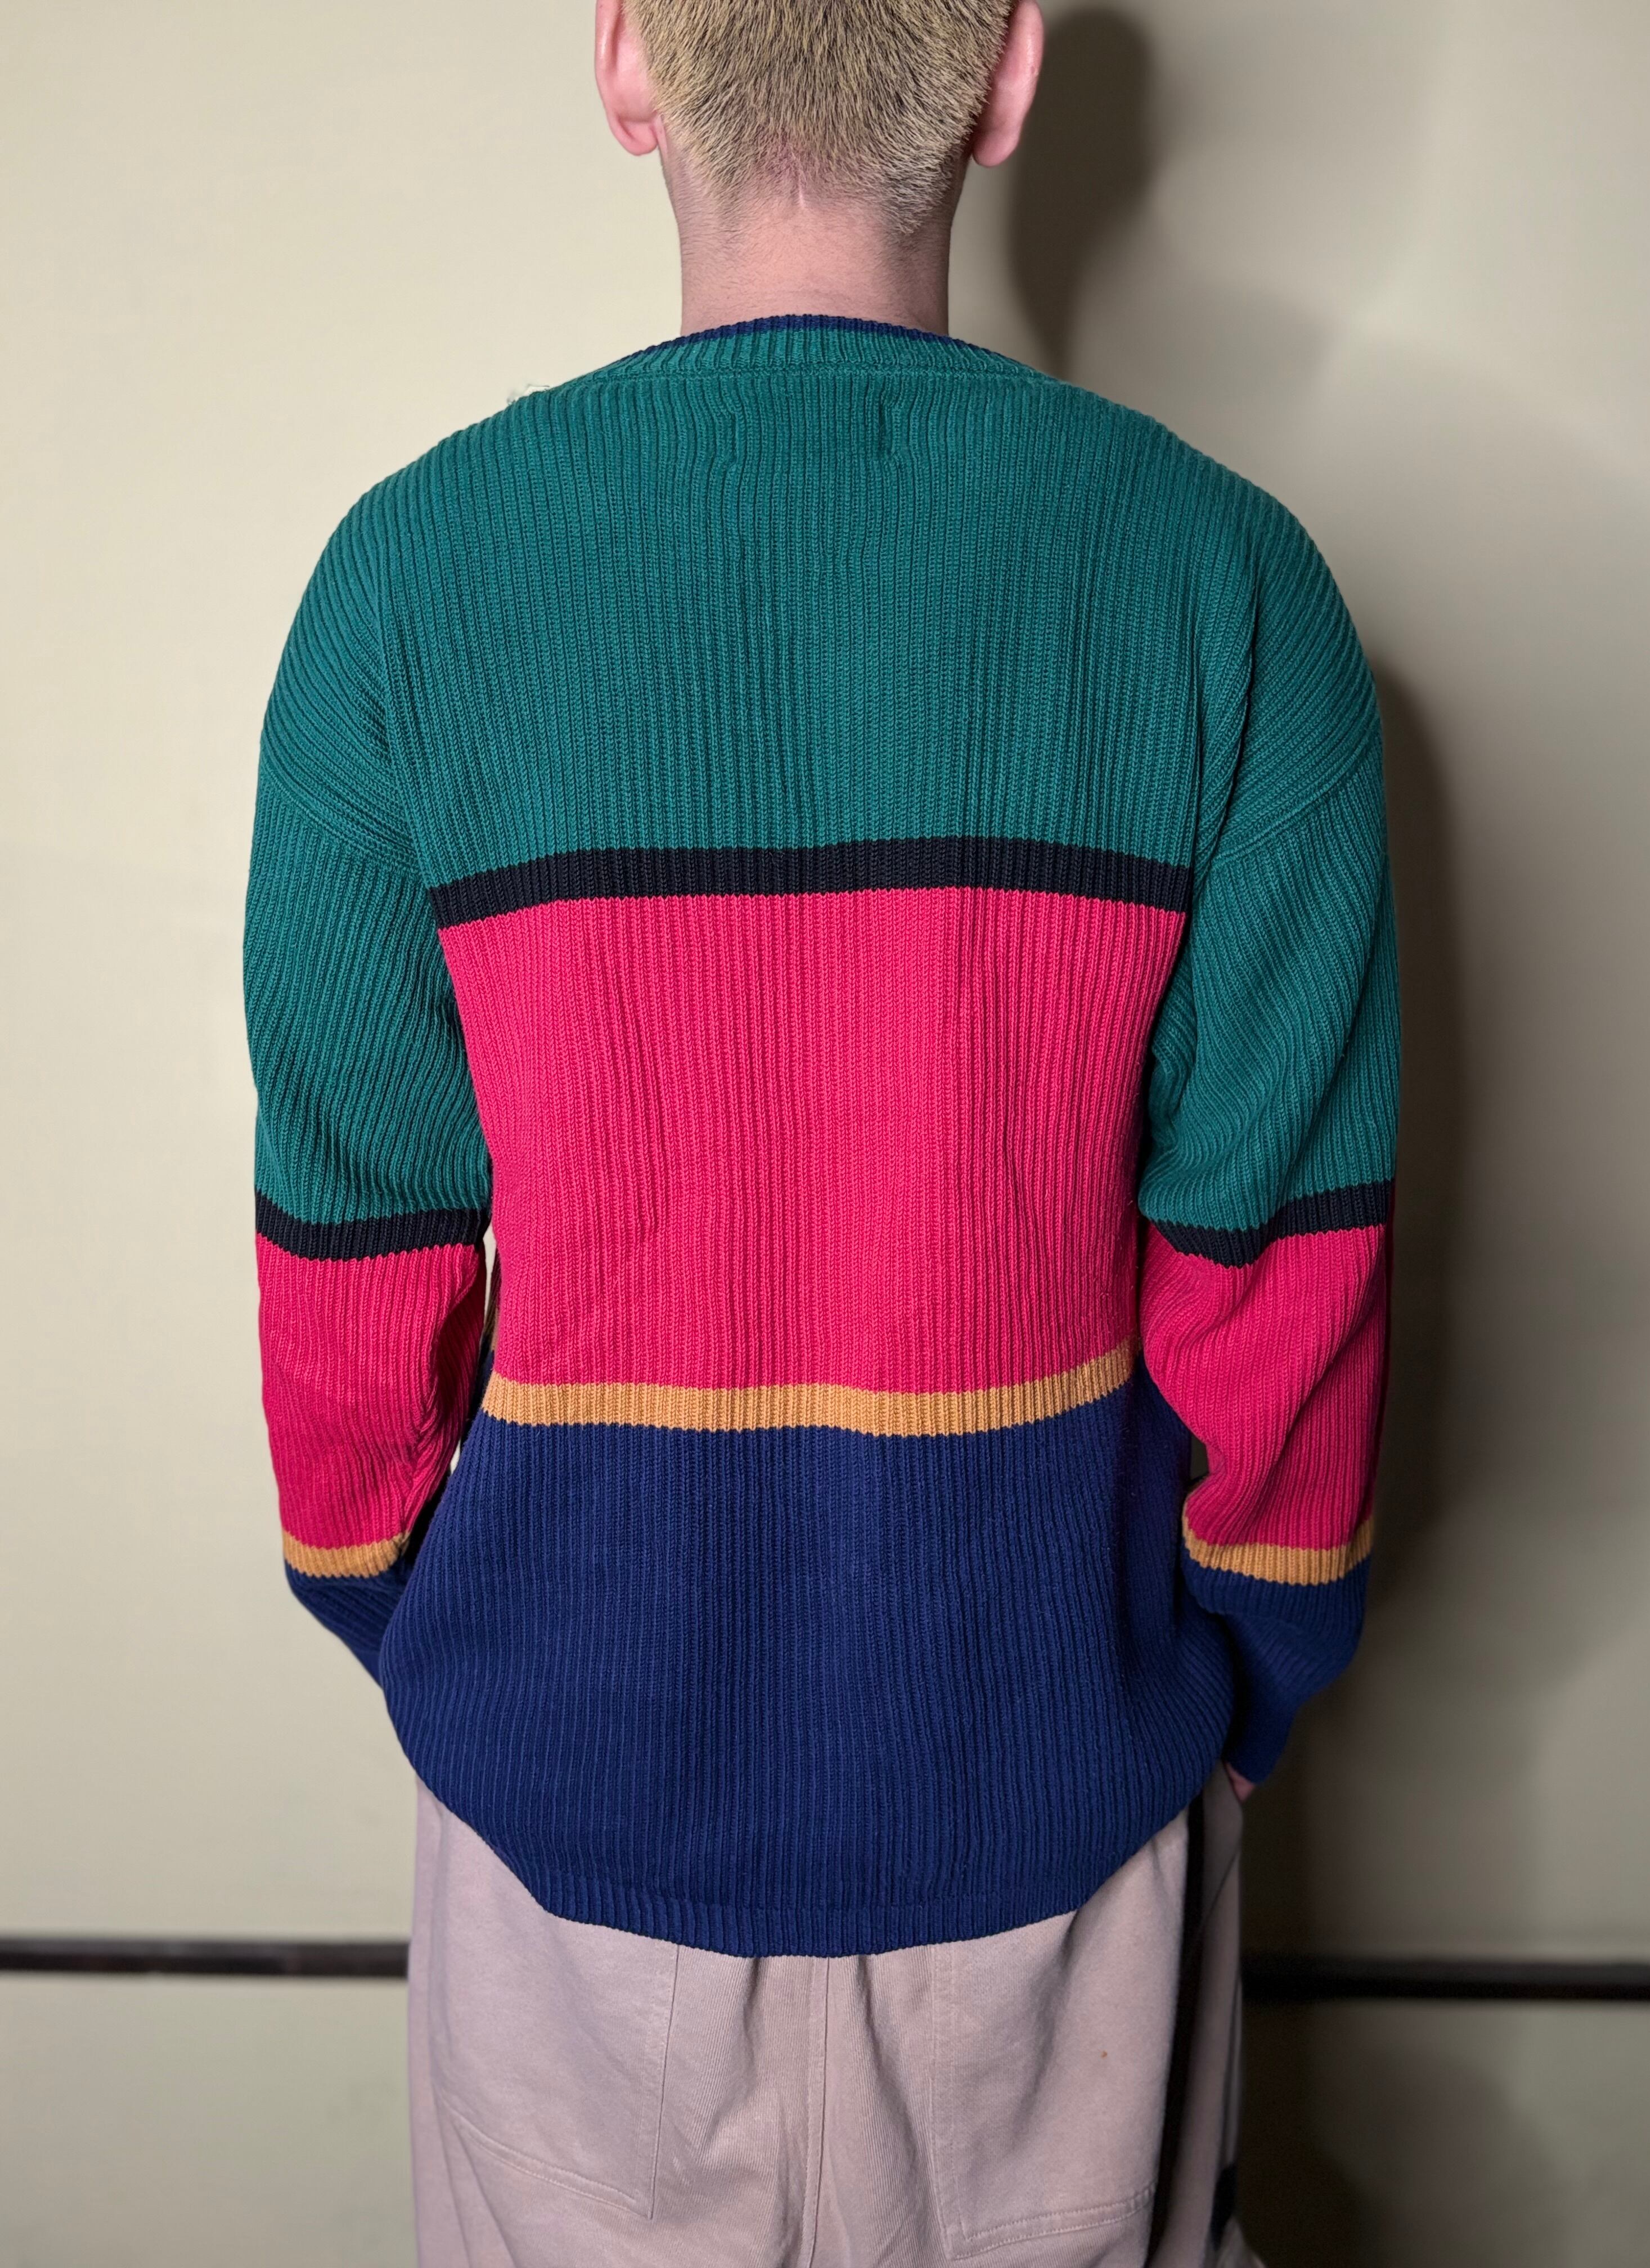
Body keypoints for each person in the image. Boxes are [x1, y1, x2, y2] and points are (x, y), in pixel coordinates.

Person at [242, 1, 1397, 2260]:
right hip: (1063, 1851)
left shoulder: (408, 585)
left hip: (568, 1879)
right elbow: (1286, 1269)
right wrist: (1226, 1700)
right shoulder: (1228, 584)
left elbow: (350, 1280)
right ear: (1011, 73)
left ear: (625, 64)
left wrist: (461, 1642)